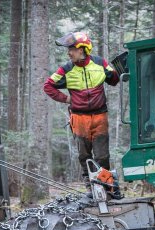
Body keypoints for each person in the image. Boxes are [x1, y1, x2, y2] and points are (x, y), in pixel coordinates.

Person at [44, 32, 119, 194]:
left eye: (71, 49)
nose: (68, 52)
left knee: (102, 155)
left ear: (82, 49)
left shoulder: (100, 63)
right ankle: (90, 187)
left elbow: (113, 79)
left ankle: (107, 188)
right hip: (79, 118)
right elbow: (48, 86)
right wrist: (66, 99)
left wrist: (119, 70)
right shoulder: (66, 69)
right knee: (84, 155)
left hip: (100, 116)